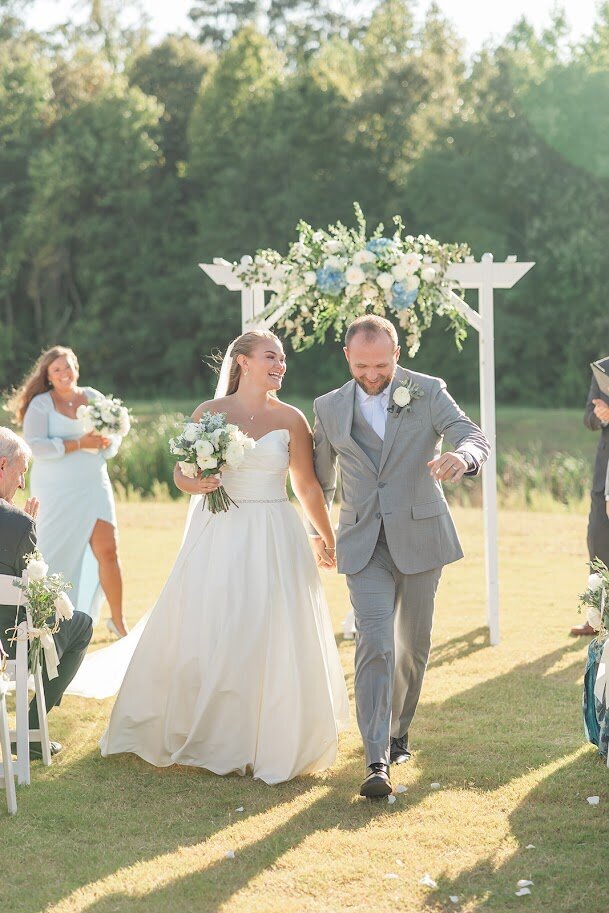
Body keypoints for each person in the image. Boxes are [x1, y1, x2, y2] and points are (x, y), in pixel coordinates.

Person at [100, 330, 349, 784]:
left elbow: (306, 486)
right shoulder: (209, 413)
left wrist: (325, 536)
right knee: (217, 621)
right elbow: (182, 472)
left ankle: (266, 735)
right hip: (219, 530)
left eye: (283, 359)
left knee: (270, 626)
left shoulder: (291, 418)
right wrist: (193, 484)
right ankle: (213, 730)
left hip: (273, 530)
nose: (280, 365)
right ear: (243, 362)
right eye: (271, 356)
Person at [308, 315, 490, 798]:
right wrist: (318, 533)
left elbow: (472, 435)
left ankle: (398, 730)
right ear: (347, 356)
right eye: (361, 366)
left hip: (422, 536)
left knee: (412, 646)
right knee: (374, 642)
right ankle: (376, 759)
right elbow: (321, 480)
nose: (372, 375)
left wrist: (462, 457)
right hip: (362, 542)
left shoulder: (428, 390)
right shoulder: (327, 407)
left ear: (397, 355)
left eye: (381, 366)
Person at [7, 346, 129, 637]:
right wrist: (79, 444)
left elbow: (113, 439)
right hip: (56, 489)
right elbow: (35, 447)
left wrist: (106, 442)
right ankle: (47, 617)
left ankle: (118, 621)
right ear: (48, 375)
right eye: (57, 369)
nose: (64, 373)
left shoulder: (94, 397)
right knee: (53, 552)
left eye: (68, 367)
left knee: (108, 550)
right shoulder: (40, 405)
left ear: (77, 368)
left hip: (93, 483)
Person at [0, 427, 93, 758]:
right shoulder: (18, 524)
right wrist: (26, 525)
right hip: (9, 644)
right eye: (21, 472)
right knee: (81, 624)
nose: (22, 483)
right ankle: (31, 731)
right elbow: (33, 589)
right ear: (2, 466)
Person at [570, 373, 609, 636]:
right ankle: (597, 617)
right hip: (605, 474)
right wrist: (600, 415)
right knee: (596, 540)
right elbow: (588, 417)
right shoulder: (603, 368)